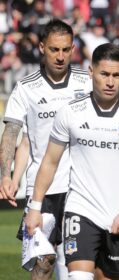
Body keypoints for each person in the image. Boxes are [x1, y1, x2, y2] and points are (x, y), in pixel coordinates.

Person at [25, 43, 119, 280]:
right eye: (104, 74)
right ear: (90, 72)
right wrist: (35, 207)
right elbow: (50, 162)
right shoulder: (70, 112)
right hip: (80, 210)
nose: (110, 82)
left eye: (117, 75)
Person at [0, 19, 90, 279]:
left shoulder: (87, 83)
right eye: (54, 49)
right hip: (42, 188)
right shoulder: (26, 88)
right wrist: (7, 175)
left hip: (80, 186)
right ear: (41, 47)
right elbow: (15, 134)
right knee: (43, 262)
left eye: (65, 49)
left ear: (73, 48)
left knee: (80, 262)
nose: (60, 56)